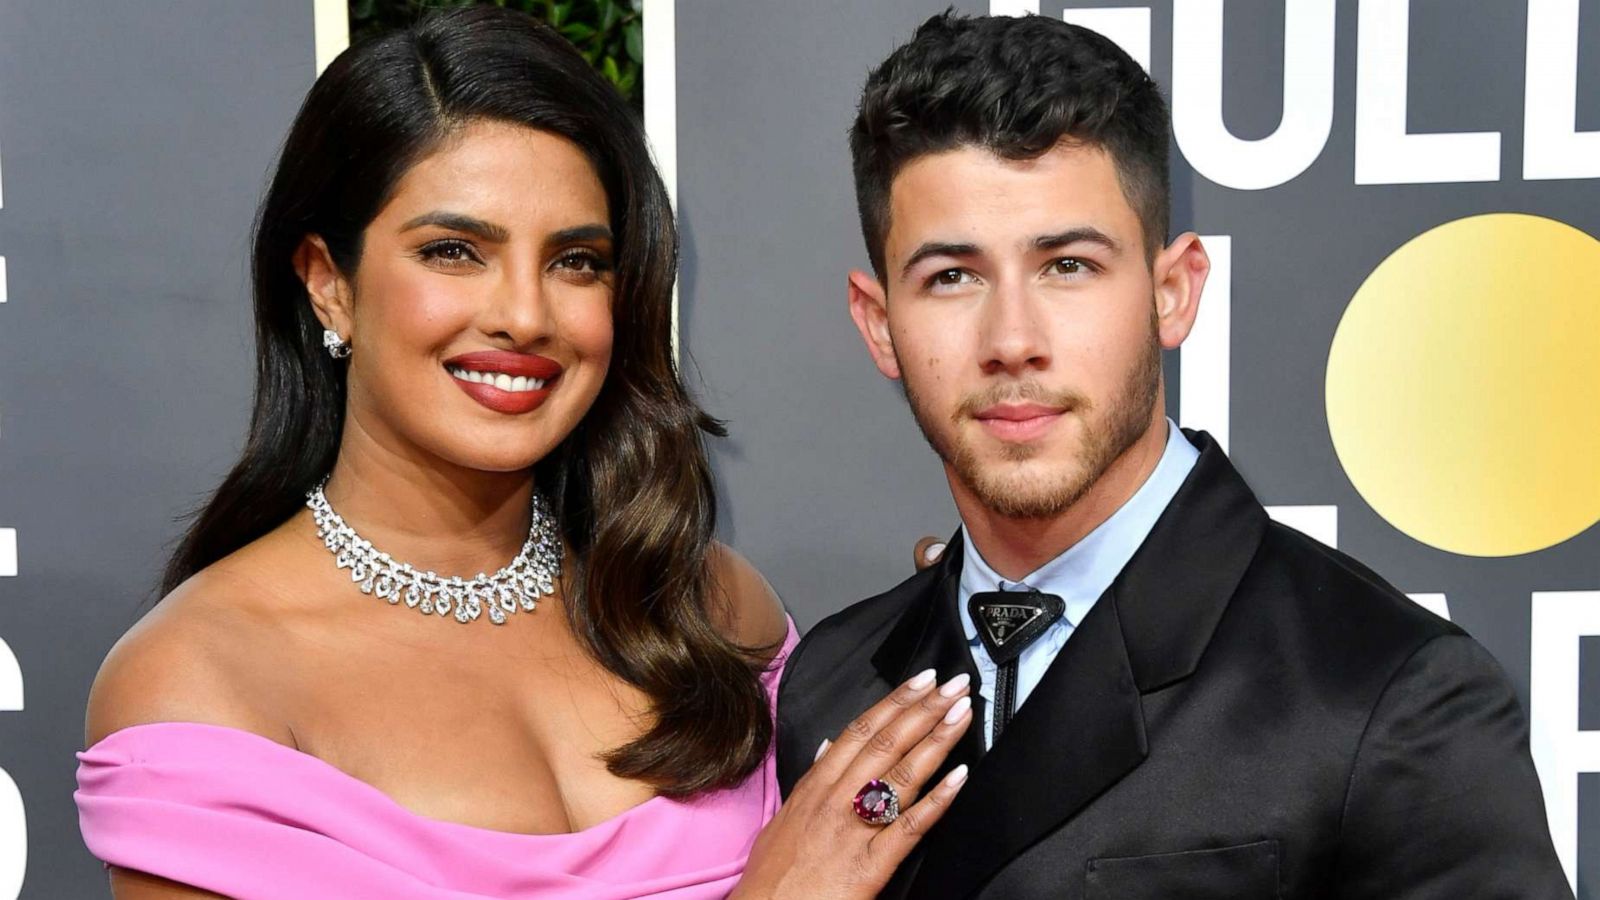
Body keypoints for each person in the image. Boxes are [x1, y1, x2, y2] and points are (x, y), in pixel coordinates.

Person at [74, 9, 972, 899]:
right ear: (328, 285)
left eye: (576, 261)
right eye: (455, 250)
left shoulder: (709, 606)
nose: (526, 316)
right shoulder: (204, 685)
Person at [774, 11, 1574, 899]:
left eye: (1068, 266)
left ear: (1173, 293)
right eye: (951, 277)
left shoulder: (1386, 696)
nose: (1012, 340)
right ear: (880, 323)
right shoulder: (833, 682)